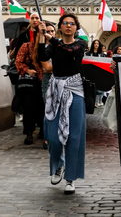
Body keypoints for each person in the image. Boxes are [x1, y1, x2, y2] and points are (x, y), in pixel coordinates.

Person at [38, 12, 88, 195]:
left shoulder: (80, 44)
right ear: (60, 26)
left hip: (75, 91)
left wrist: (53, 40)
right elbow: (42, 55)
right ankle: (59, 165)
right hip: (55, 90)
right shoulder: (54, 46)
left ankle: (70, 178)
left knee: (74, 137)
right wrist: (42, 36)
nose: (68, 26)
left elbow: (70, 52)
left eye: (72, 23)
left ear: (76, 27)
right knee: (53, 137)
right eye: (65, 23)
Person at [15, 12, 45, 146]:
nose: (34, 20)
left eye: (37, 18)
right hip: (29, 76)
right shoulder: (24, 37)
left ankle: (43, 130)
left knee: (42, 105)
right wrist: (27, 69)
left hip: (43, 76)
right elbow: (17, 57)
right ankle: (29, 132)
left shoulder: (44, 33)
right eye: (32, 18)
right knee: (29, 106)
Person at [40, 22, 56, 150]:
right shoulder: (42, 48)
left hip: (59, 79)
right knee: (48, 108)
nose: (50, 33)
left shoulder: (58, 46)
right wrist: (61, 65)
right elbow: (46, 67)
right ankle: (47, 138)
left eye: (52, 31)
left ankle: (56, 136)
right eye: (48, 31)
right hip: (47, 79)